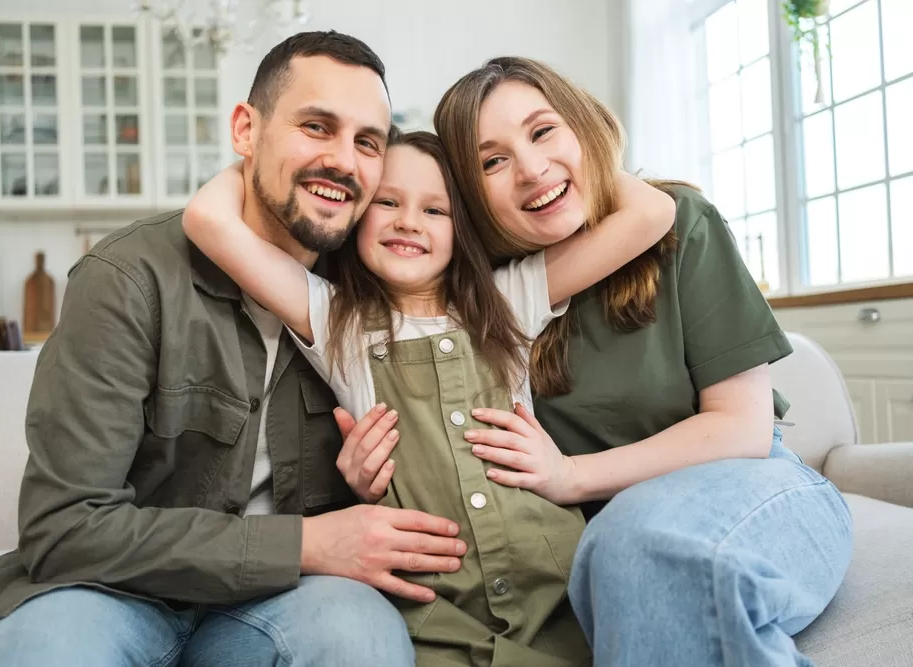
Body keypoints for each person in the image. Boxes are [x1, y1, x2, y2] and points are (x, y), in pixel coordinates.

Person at [0, 31, 472, 667]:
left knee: (360, 635)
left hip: (281, 604)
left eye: (367, 142)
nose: (344, 162)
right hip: (110, 593)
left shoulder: (377, 288)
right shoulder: (128, 277)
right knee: (43, 650)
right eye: (316, 126)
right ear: (246, 130)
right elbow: (64, 528)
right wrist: (303, 544)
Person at [183, 123, 673, 667]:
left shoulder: (511, 298)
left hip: (554, 584)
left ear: (465, 228)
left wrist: (549, 154)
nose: (408, 221)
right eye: (386, 201)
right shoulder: (335, 319)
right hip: (436, 611)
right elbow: (208, 220)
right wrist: (266, 152)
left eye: (435, 210)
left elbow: (650, 214)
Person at [422, 56, 854, 666]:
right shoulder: (492, 300)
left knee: (632, 541)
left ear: (584, 127)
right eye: (492, 161)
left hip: (754, 488)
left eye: (545, 130)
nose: (531, 168)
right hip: (602, 537)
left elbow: (743, 427)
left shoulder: (681, 224)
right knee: (621, 545)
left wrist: (570, 474)